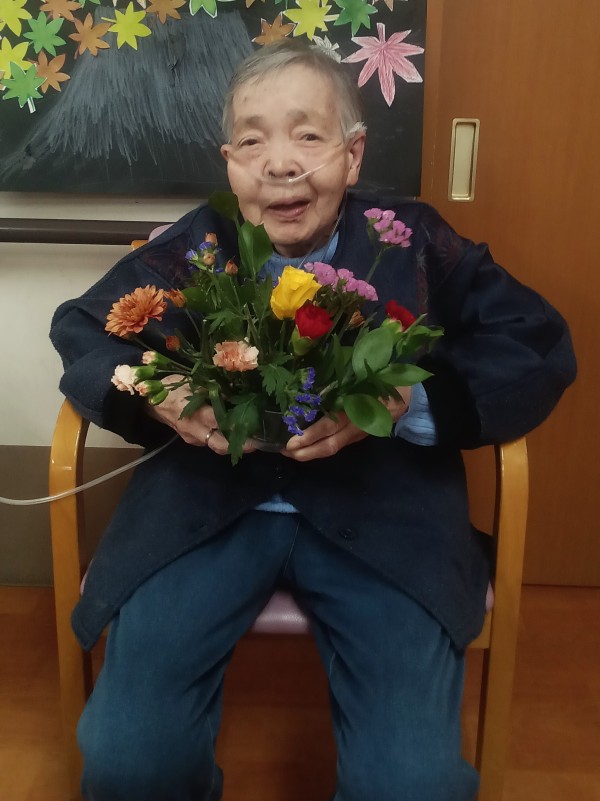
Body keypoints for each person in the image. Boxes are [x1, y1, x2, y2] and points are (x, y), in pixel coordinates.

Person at [50, 40, 576, 801]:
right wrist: (151, 390)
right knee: (131, 762)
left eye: (308, 135)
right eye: (252, 141)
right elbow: (84, 327)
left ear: (352, 155)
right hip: (207, 503)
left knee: (413, 785)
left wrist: (411, 405)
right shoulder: (200, 244)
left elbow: (535, 338)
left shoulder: (410, 241)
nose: (280, 164)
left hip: (383, 509)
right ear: (230, 164)